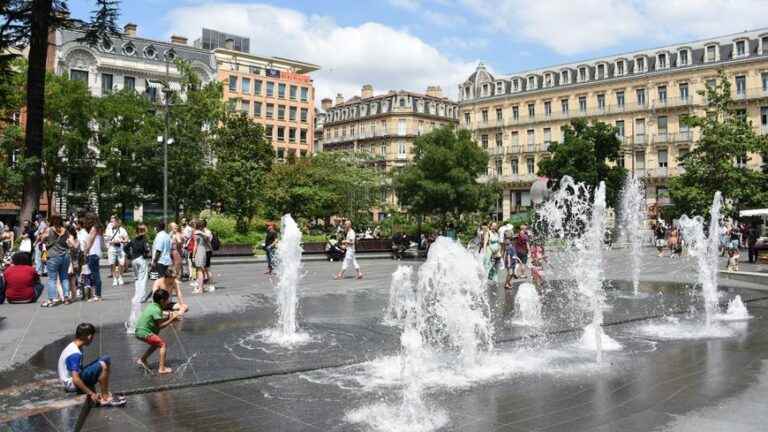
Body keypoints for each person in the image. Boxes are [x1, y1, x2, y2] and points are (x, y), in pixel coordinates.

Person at [57, 323, 126, 406]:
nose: (92, 339)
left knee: (105, 359)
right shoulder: (75, 354)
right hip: (71, 384)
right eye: (92, 337)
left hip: (71, 380)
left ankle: (105, 393)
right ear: (89, 336)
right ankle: (105, 397)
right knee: (103, 365)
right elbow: (75, 379)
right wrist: (91, 394)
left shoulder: (74, 345)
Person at [135, 289, 180, 374]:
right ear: (162, 300)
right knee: (163, 344)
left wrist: (169, 318)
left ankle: (142, 359)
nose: (168, 301)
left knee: (156, 344)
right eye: (167, 300)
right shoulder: (157, 310)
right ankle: (162, 368)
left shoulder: (152, 306)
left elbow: (158, 320)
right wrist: (172, 319)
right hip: (144, 332)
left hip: (139, 331)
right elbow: (160, 326)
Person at [42, 215, 78, 307]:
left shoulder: (49, 230)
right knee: (64, 277)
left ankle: (52, 299)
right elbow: (72, 243)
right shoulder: (65, 231)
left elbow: (42, 240)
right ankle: (66, 298)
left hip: (53, 256)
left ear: (52, 221)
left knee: (52, 279)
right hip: (65, 256)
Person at [126, 224, 151, 334]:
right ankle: (141, 295)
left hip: (134, 260)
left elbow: (125, 247)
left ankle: (137, 293)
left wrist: (129, 255)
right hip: (141, 259)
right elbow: (147, 249)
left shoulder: (133, 240)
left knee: (137, 278)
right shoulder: (144, 240)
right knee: (143, 277)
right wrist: (146, 254)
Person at [82, 214, 104, 302]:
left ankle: (98, 295)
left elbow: (90, 241)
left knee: (95, 275)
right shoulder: (99, 229)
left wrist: (85, 252)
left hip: (92, 253)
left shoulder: (94, 228)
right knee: (96, 274)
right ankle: (97, 294)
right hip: (96, 253)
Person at [191, 220, 210, 293]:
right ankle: (201, 287)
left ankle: (200, 289)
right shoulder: (203, 233)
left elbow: (195, 246)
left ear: (196, 226)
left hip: (199, 251)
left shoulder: (196, 233)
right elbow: (207, 241)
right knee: (201, 270)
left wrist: (193, 256)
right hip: (203, 250)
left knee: (199, 271)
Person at [201, 220, 215, 291]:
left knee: (207, 269)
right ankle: (204, 284)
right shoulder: (206, 232)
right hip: (205, 252)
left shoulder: (206, 232)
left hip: (206, 251)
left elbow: (207, 241)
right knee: (203, 269)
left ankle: (211, 284)